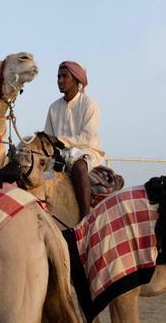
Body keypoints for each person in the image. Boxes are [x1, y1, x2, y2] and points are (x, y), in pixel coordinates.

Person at [43, 60, 122, 218]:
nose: (60, 81)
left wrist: (58, 140)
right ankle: (44, 208)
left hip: (87, 151)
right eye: (58, 77)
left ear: (76, 80)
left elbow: (87, 137)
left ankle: (85, 218)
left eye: (65, 76)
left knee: (79, 167)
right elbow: (47, 138)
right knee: (43, 169)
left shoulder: (88, 104)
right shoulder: (53, 108)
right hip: (61, 154)